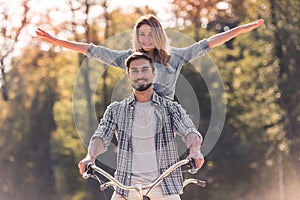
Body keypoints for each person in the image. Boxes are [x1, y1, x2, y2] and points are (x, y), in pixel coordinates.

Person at [36, 14, 264, 99]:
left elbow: (209, 42)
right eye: (141, 34)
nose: (145, 39)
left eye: (150, 34)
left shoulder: (176, 57)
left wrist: (241, 29)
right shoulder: (130, 58)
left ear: (158, 35)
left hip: (166, 114)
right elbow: (92, 50)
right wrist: (57, 42)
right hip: (140, 111)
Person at [78, 52, 204, 200]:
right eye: (134, 71)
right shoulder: (116, 109)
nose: (140, 75)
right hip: (125, 186)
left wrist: (195, 150)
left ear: (154, 73)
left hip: (164, 187)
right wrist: (90, 156)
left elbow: (189, 130)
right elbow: (101, 136)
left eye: (145, 70)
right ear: (128, 75)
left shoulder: (170, 108)